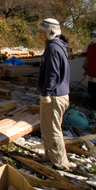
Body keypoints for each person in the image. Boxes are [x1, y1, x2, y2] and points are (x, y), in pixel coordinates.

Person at [37, 18, 71, 171]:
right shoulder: (58, 46)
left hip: (54, 96)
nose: (40, 35)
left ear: (50, 32)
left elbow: (52, 74)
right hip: (58, 94)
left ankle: (60, 163)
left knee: (52, 129)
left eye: (42, 32)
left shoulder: (52, 48)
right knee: (47, 128)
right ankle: (50, 155)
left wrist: (46, 92)